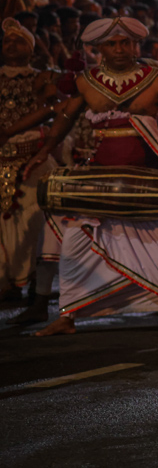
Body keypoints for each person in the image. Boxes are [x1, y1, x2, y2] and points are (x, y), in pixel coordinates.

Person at [25, 16, 158, 336]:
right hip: (100, 179)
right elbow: (66, 117)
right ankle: (68, 316)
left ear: (136, 45)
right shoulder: (86, 82)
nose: (120, 49)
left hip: (149, 178)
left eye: (126, 43)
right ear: (99, 49)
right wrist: (45, 149)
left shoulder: (157, 80)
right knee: (74, 241)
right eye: (112, 44)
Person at [0, 19, 61, 310]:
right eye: (6, 41)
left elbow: (50, 110)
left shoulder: (42, 78)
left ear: (31, 48)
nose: (10, 45)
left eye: (18, 40)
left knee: (33, 220)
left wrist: (10, 131)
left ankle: (35, 283)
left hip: (32, 157)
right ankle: (7, 284)